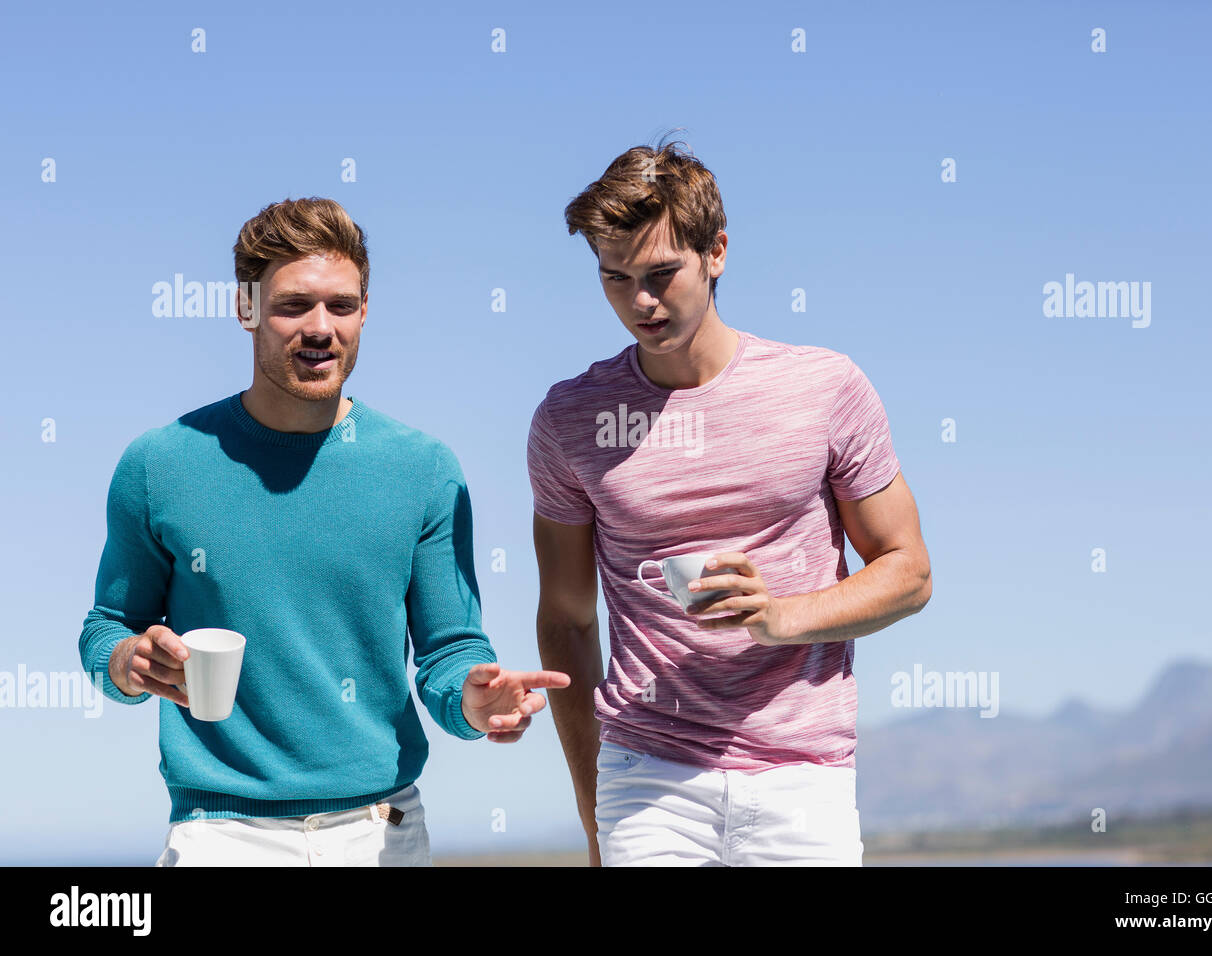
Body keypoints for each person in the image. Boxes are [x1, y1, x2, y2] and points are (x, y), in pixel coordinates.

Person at [79, 197, 567, 866]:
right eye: (293, 306)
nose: (319, 328)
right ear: (246, 309)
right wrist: (129, 662)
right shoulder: (159, 465)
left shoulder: (423, 469)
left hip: (381, 828)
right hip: (220, 834)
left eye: (341, 306)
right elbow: (106, 627)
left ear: (366, 310)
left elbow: (450, 650)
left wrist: (473, 704)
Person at [528, 141, 932, 866]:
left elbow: (909, 573)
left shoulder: (825, 388)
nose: (639, 303)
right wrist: (595, 811)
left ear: (716, 251)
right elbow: (566, 616)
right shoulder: (568, 420)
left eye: (661, 275)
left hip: (801, 776)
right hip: (644, 776)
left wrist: (784, 616)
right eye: (614, 278)